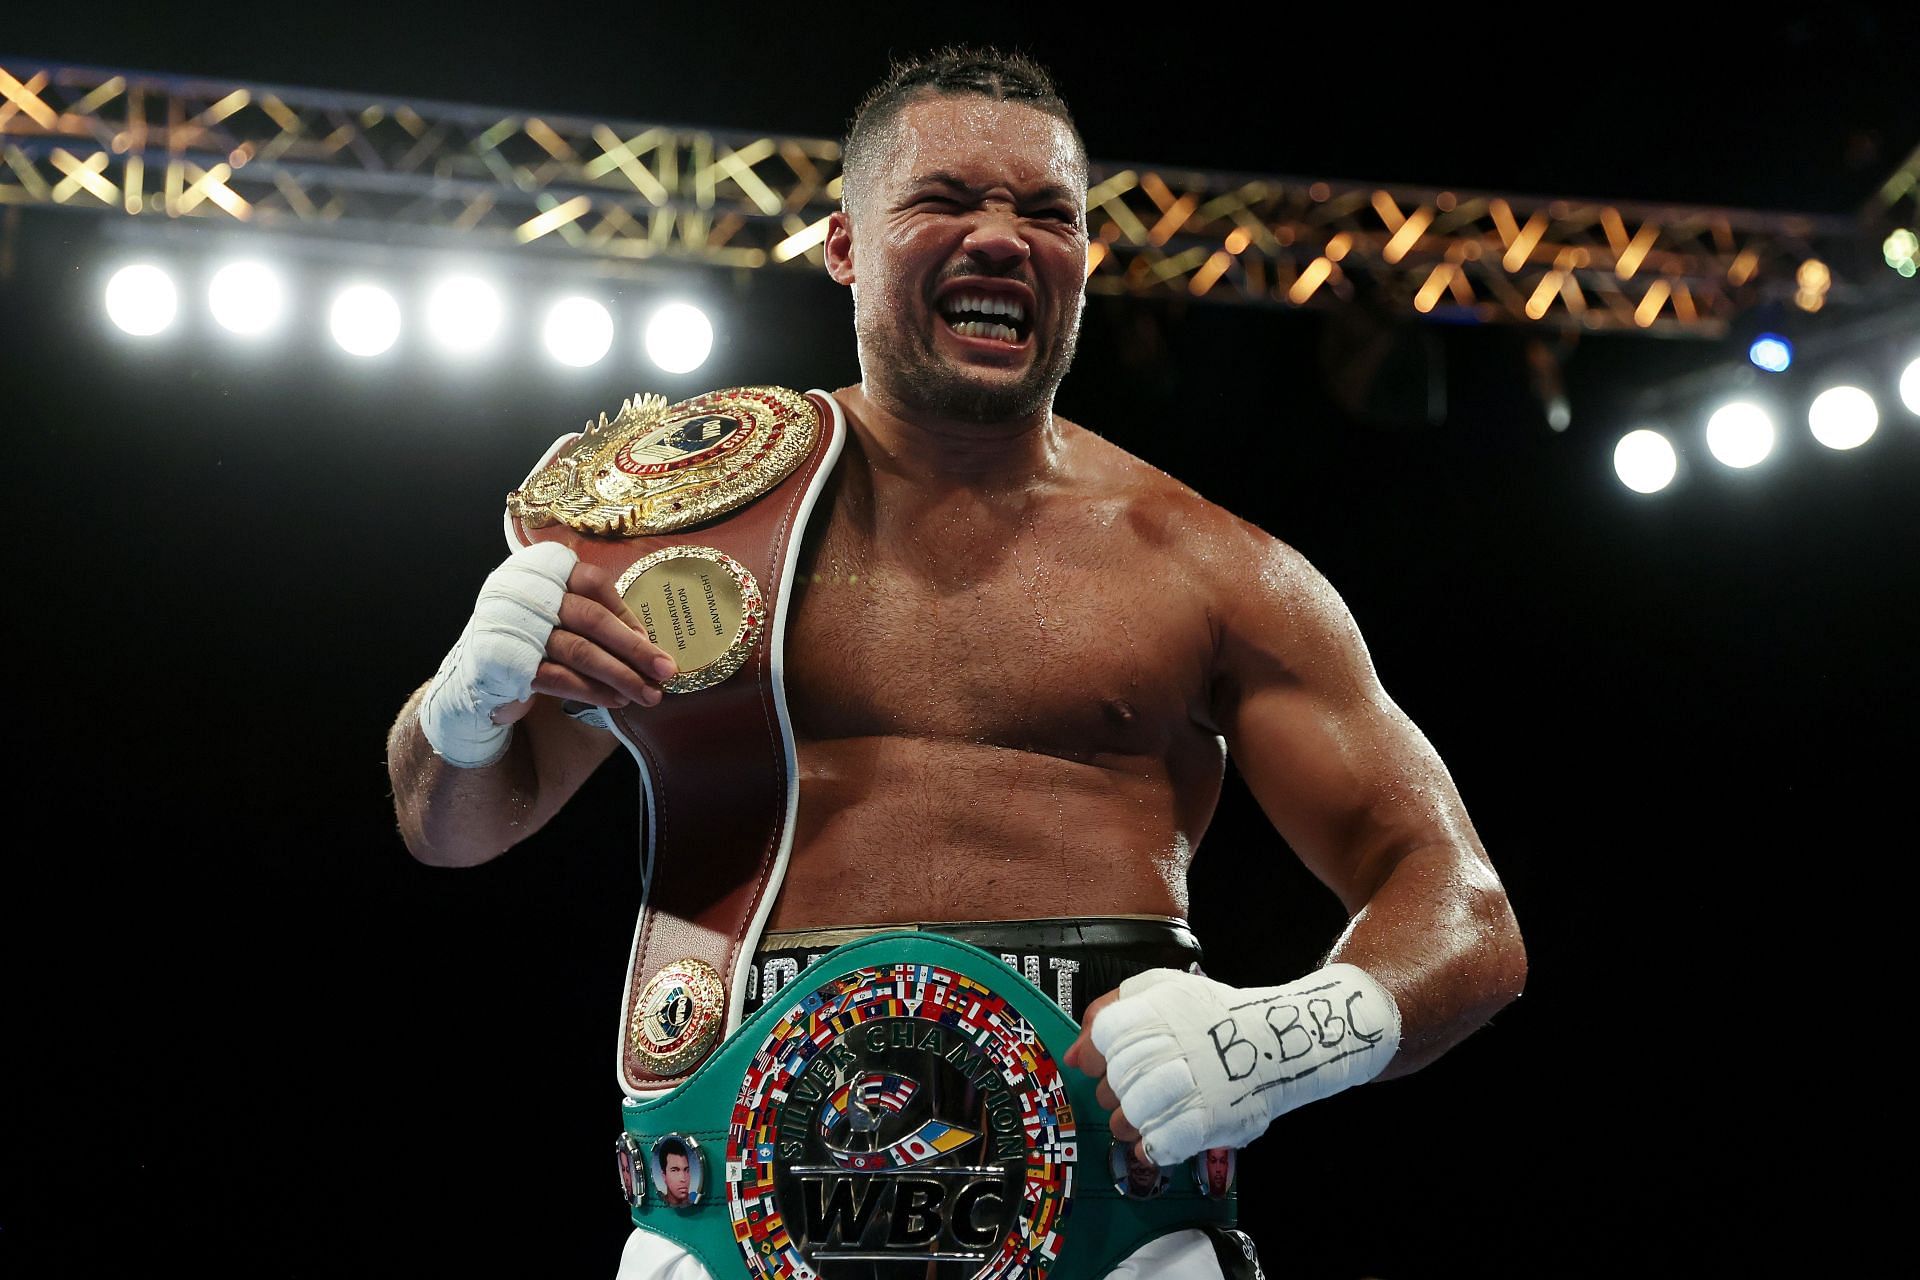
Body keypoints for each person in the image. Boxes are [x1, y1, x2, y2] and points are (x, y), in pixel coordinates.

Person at [386, 46, 1526, 1280]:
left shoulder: (1208, 568)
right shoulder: (691, 532)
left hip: (1114, 1241)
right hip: (727, 1231)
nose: (1002, 238)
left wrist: (1281, 1038)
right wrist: (462, 714)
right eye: (945, 200)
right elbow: (454, 826)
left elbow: (1463, 912)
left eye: (1049, 213)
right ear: (844, 245)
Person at [657, 1139, 695, 1208]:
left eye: (686, 1170)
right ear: (664, 1176)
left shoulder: (694, 1198)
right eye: (674, 1170)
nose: (683, 1179)